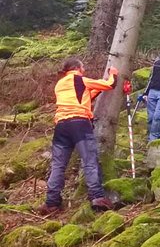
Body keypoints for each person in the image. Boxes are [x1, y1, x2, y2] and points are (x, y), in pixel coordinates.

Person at [37, 58, 117, 215]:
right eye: (83, 67)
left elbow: (84, 97)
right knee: (89, 160)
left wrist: (97, 89)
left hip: (61, 126)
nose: (84, 69)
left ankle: (51, 202)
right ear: (77, 68)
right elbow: (109, 85)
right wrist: (113, 74)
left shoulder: (60, 84)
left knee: (58, 165)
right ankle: (97, 197)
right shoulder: (80, 79)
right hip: (79, 124)